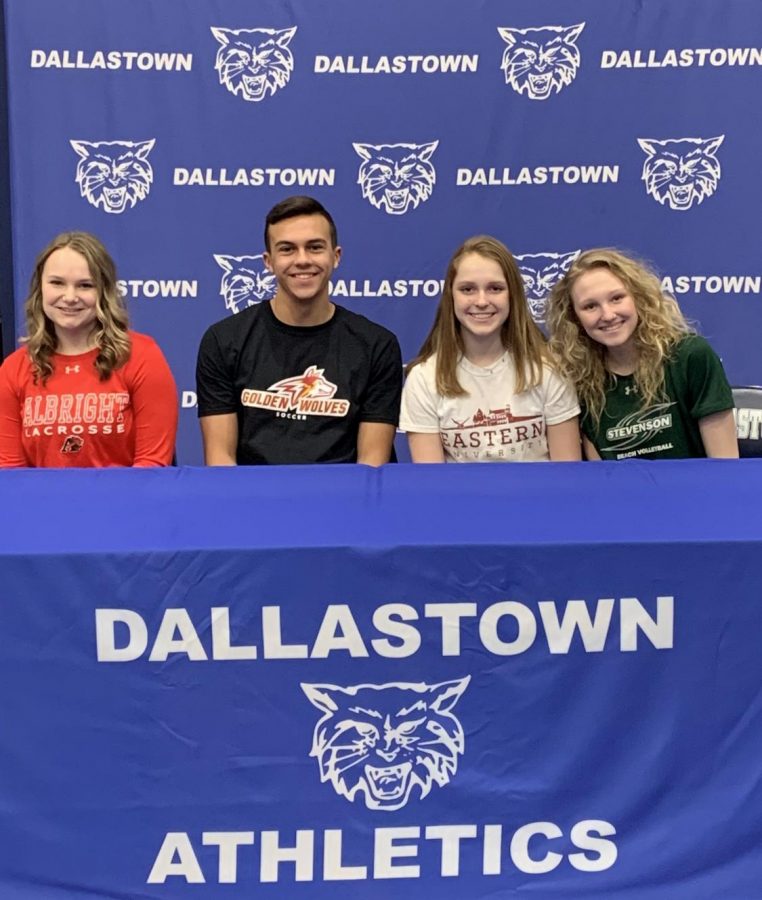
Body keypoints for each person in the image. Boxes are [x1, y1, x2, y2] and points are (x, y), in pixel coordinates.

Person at [196, 195, 402, 465]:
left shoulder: (376, 345)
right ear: (268, 262)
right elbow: (220, 461)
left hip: (341, 502)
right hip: (254, 502)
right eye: (287, 249)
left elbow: (371, 467)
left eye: (315, 247)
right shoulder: (223, 341)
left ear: (335, 256)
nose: (302, 260)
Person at [0, 231, 178, 467]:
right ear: (39, 289)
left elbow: (152, 466)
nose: (70, 297)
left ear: (103, 292)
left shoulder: (142, 357)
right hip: (42, 504)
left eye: (85, 285)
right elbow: (11, 473)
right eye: (57, 283)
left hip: (126, 502)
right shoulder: (14, 369)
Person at [400, 235, 581, 463]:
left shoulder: (549, 370)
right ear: (450, 297)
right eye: (467, 289)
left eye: (495, 288)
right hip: (461, 499)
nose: (482, 301)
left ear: (513, 295)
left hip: (539, 498)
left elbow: (567, 475)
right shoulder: (424, 379)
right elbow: (434, 485)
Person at [546, 248, 738, 460]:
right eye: (590, 306)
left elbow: (724, 466)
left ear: (638, 298)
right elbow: (600, 475)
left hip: (696, 492)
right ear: (575, 317)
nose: (608, 315)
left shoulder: (691, 357)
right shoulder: (579, 379)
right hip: (622, 493)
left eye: (617, 298)